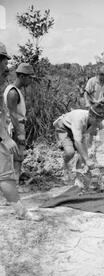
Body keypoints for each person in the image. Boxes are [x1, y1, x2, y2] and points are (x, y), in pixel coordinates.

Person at [0, 43, 41, 221]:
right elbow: (10, 115)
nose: (5, 67)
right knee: (9, 170)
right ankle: (19, 209)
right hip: (9, 130)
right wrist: (11, 136)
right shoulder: (12, 93)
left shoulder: (9, 89)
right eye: (4, 61)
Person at [53, 103, 104, 181]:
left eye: (100, 120)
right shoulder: (79, 119)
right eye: (97, 120)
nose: (98, 123)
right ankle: (65, 165)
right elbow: (78, 142)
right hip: (64, 128)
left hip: (79, 132)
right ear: (90, 116)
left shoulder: (98, 120)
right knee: (70, 152)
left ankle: (79, 178)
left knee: (83, 155)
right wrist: (87, 160)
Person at [4, 63, 35, 183]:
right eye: (29, 77)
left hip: (16, 124)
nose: (31, 80)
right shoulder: (13, 92)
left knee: (15, 156)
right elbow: (12, 114)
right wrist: (20, 133)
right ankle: (14, 182)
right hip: (16, 126)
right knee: (18, 156)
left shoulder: (13, 90)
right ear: (22, 76)